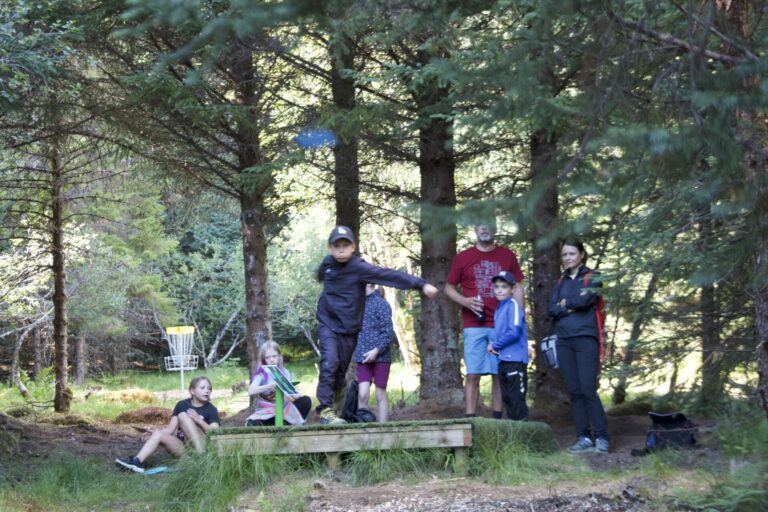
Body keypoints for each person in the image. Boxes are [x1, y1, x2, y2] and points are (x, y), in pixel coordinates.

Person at [315, 225, 439, 424]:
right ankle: (324, 410)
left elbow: (388, 275)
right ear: (330, 248)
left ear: (353, 247)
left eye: (345, 245)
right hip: (328, 323)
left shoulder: (359, 268)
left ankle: (336, 401)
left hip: (349, 329)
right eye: (336, 246)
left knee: (339, 373)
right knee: (329, 362)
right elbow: (320, 275)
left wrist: (421, 284)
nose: (340, 249)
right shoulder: (327, 264)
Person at [445, 222, 525, 418]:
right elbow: (448, 288)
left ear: (495, 228)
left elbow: (518, 287)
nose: (484, 229)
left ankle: (497, 420)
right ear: (475, 229)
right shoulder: (463, 257)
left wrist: (519, 318)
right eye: (480, 225)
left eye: (488, 225)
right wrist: (465, 301)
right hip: (474, 325)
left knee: (499, 374)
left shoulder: (507, 256)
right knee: (473, 374)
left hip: (502, 325)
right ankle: (471, 419)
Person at [547, 239, 609, 454]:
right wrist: (568, 306)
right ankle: (583, 437)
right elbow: (551, 309)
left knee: (587, 388)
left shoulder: (593, 277)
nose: (567, 258)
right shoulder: (559, 282)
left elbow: (586, 301)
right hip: (564, 340)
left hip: (586, 338)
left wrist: (566, 303)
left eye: (572, 254)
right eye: (564, 255)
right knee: (574, 391)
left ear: (582, 254)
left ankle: (601, 437)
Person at [115, 375, 220, 473]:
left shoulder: (211, 409)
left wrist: (199, 420)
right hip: (186, 451)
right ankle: (136, 462)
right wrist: (154, 433)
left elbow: (215, 433)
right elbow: (170, 430)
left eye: (209, 388)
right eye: (202, 388)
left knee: (183, 415)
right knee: (158, 434)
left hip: (204, 449)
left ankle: (202, 460)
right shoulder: (182, 405)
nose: (207, 391)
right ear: (192, 391)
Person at [487, 271, 529, 421]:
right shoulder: (499, 308)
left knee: (516, 397)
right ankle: (514, 435)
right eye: (496, 286)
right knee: (508, 399)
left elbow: (514, 332)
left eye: (504, 286)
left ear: (512, 289)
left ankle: (523, 435)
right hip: (503, 359)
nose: (499, 290)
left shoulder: (513, 306)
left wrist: (495, 345)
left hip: (515, 360)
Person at [246, 341, 311, 426]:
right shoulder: (262, 374)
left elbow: (290, 396)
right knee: (253, 423)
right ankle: (278, 424)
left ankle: (287, 423)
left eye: (274, 356)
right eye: (268, 357)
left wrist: (294, 394)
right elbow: (251, 390)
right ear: (264, 360)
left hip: (284, 410)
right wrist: (269, 386)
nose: (271, 359)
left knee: (306, 401)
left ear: (280, 356)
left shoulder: (286, 373)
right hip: (268, 411)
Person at [354, 283, 394, 422]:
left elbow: (388, 333)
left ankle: (384, 430)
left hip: (381, 357)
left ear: (368, 284)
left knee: (380, 394)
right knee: (362, 394)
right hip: (362, 357)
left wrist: (376, 351)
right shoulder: (357, 304)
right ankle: (362, 430)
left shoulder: (382, 304)